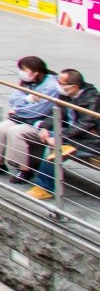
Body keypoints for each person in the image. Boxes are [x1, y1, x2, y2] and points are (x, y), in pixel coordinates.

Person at [21, 68, 100, 200]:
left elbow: (85, 124)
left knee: (56, 151)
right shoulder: (66, 94)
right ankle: (43, 184)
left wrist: (60, 138)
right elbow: (57, 112)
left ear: (74, 87)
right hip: (75, 136)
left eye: (61, 83)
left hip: (91, 140)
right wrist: (45, 127)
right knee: (54, 147)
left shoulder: (93, 100)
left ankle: (44, 187)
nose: (57, 85)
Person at [0, 56, 54, 178]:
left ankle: (24, 169)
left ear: (36, 72)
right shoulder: (27, 81)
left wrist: (17, 110)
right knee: (2, 127)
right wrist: (29, 98)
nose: (21, 73)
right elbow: (13, 99)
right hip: (23, 118)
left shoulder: (51, 86)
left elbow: (39, 109)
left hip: (39, 122)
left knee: (15, 131)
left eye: (24, 69)